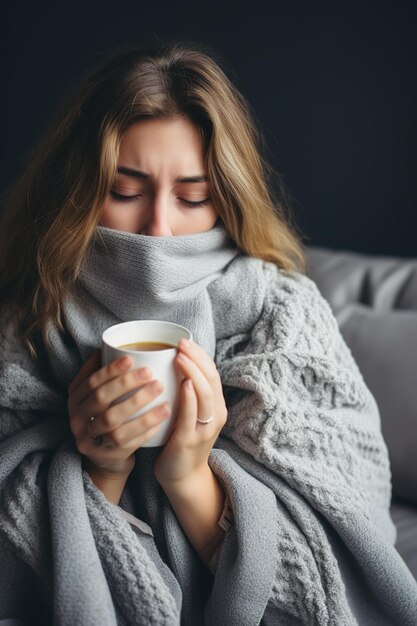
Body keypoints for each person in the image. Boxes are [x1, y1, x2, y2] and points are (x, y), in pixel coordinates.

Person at [0, 40, 416, 626]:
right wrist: (100, 471)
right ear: (79, 193)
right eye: (124, 192)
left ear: (225, 200)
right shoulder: (30, 320)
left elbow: (344, 553)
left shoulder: (285, 313)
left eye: (192, 197)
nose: (159, 230)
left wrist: (191, 476)